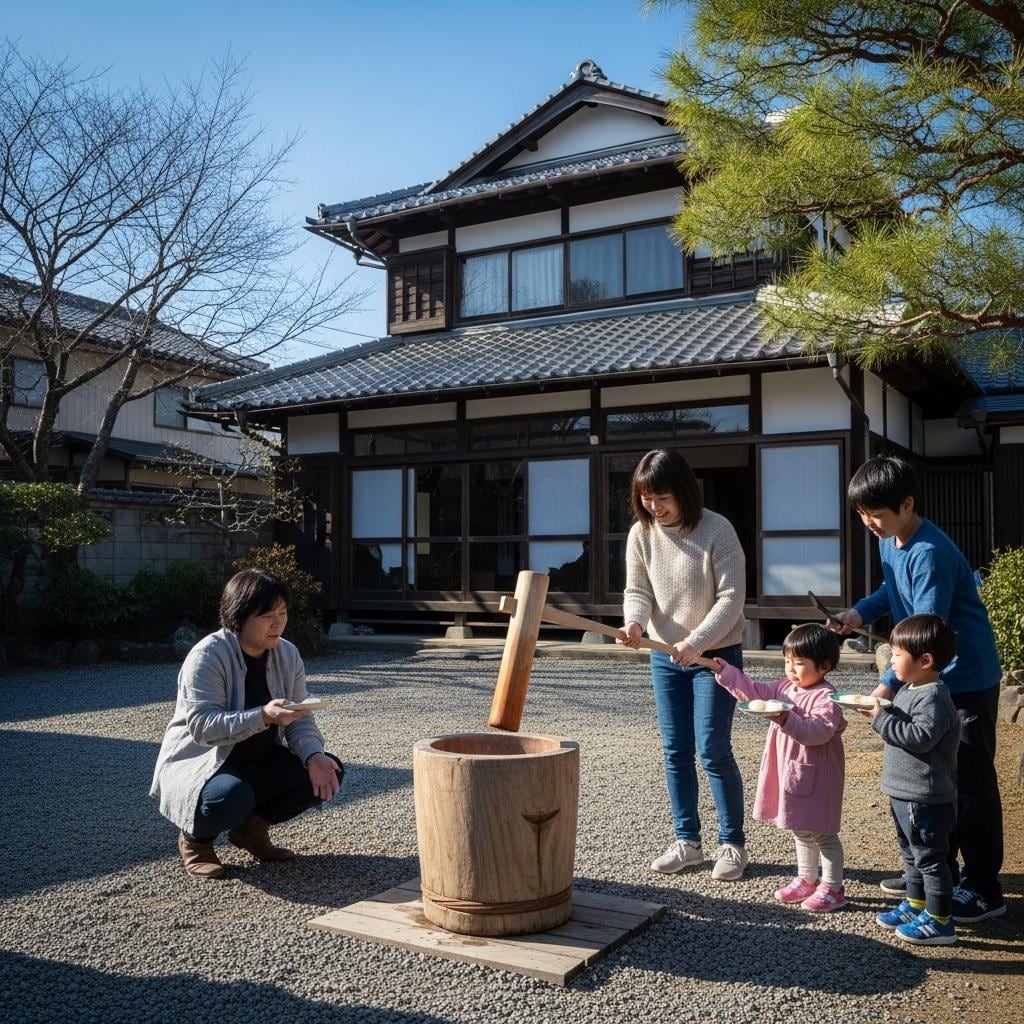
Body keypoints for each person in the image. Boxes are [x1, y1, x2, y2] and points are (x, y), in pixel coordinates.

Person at [832, 456, 1005, 923]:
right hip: (924, 674)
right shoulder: (893, 540)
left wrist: (887, 686)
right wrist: (859, 615)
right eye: (862, 515)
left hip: (962, 676)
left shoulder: (930, 552)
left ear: (907, 504)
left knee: (967, 782)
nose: (868, 523)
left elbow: (928, 628)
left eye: (876, 514)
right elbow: (891, 592)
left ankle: (984, 887)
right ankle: (935, 876)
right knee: (933, 779)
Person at [150, 569, 343, 879]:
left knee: (326, 771)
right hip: (204, 762)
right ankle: (196, 842)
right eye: (267, 615)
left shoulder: (288, 653)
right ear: (239, 616)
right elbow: (201, 727)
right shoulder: (208, 655)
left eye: (282, 612)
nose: (278, 622)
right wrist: (263, 715)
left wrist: (314, 755)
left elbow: (299, 718)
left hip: (259, 758)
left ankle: (251, 833)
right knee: (230, 797)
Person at [620, 448, 749, 881]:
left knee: (712, 749)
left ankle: (732, 843)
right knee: (676, 751)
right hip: (665, 656)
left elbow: (731, 599)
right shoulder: (642, 534)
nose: (655, 507)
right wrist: (635, 624)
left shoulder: (717, 529)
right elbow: (637, 589)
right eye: (647, 498)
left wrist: (696, 643)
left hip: (714, 656)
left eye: (662, 497)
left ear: (684, 492)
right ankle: (688, 841)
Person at [711, 624, 848, 911]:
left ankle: (834, 887)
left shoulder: (827, 697)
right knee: (800, 827)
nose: (790, 669)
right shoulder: (786, 687)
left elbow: (818, 732)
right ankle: (807, 878)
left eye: (798, 663)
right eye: (787, 661)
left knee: (822, 832)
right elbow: (757, 693)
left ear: (824, 666)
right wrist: (727, 674)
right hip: (792, 771)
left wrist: (786, 718)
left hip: (818, 774)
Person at [867, 614, 961, 946]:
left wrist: (880, 719)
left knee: (930, 859)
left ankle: (940, 920)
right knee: (911, 854)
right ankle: (917, 903)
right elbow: (901, 723)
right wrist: (880, 710)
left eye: (896, 656)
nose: (891, 662)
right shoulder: (910, 688)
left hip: (926, 795)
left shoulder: (933, 696)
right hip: (904, 792)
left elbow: (919, 737)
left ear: (925, 660)